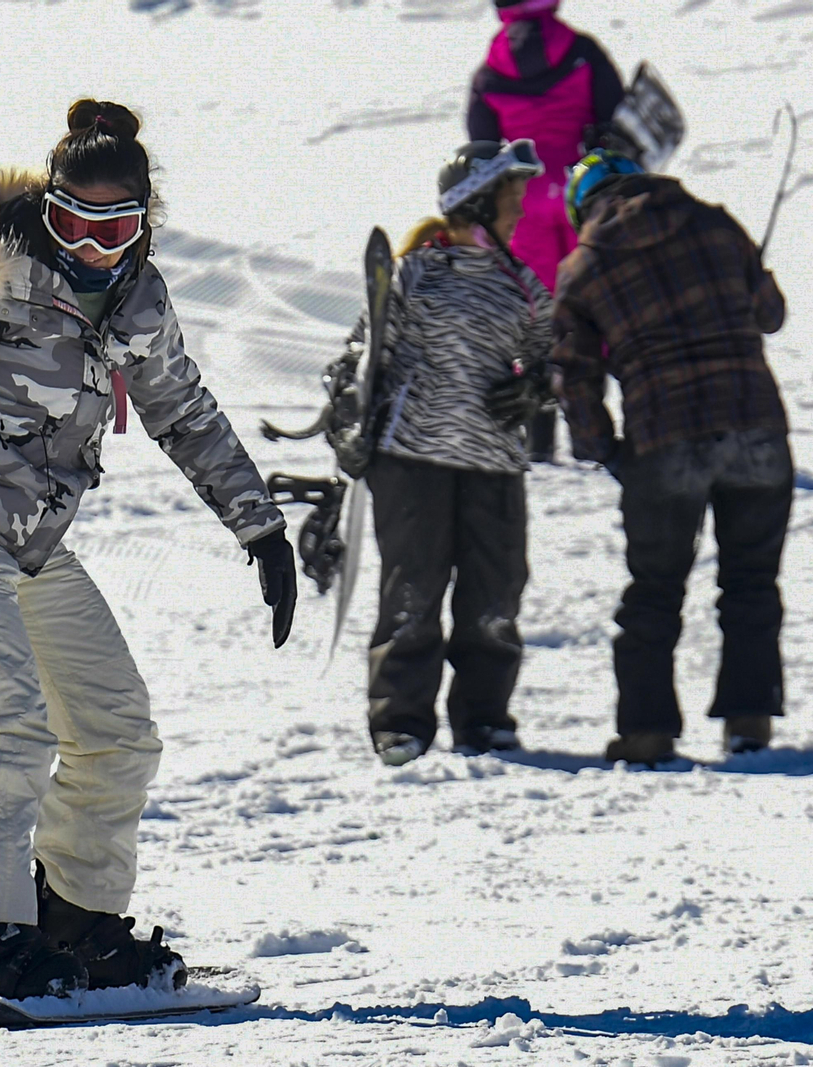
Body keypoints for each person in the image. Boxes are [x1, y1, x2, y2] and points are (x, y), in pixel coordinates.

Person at [0, 100, 297, 999]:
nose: (93, 247)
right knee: (10, 725)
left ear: (144, 222)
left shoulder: (139, 299)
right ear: (48, 209)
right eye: (73, 223)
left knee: (117, 729)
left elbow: (183, 411)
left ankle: (80, 922)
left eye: (115, 228)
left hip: (30, 544)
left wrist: (259, 525)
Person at [553, 151, 791, 765]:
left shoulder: (582, 267)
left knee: (655, 589)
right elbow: (771, 315)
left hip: (664, 437)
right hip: (755, 424)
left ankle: (647, 732)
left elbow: (573, 375)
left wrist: (604, 450)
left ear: (584, 210)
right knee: (751, 582)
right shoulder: (715, 222)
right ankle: (749, 722)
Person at [327, 140, 553, 768]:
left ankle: (485, 719)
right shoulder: (416, 274)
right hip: (413, 459)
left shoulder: (524, 286)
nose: (520, 212)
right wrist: (348, 428)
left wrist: (537, 387)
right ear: (476, 203)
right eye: (511, 199)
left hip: (495, 464)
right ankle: (401, 722)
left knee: (495, 598)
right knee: (414, 592)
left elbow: (551, 358)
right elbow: (357, 361)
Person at [467, 0, 625, 462]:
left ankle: (539, 442)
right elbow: (617, 117)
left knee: (537, 316)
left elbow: (481, 146)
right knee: (588, 309)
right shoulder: (582, 50)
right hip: (582, 192)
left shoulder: (489, 74)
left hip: (524, 202)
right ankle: (590, 439)